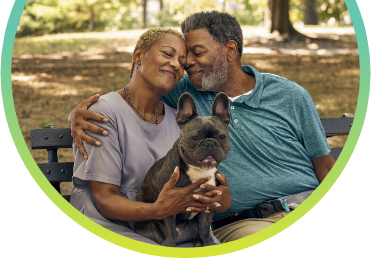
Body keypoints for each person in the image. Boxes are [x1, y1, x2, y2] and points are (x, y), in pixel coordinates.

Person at [68, 11, 336, 243]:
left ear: (230, 50)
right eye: (184, 59)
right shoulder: (184, 94)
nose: (185, 65)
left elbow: (324, 166)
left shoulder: (290, 95)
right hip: (248, 222)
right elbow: (134, 94)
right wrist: (80, 113)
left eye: (195, 54)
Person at [69, 27, 227, 247]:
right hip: (108, 224)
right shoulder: (105, 113)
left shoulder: (178, 121)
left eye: (181, 62)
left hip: (165, 228)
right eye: (167, 54)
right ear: (138, 55)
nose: (175, 64)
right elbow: (105, 199)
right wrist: (157, 209)